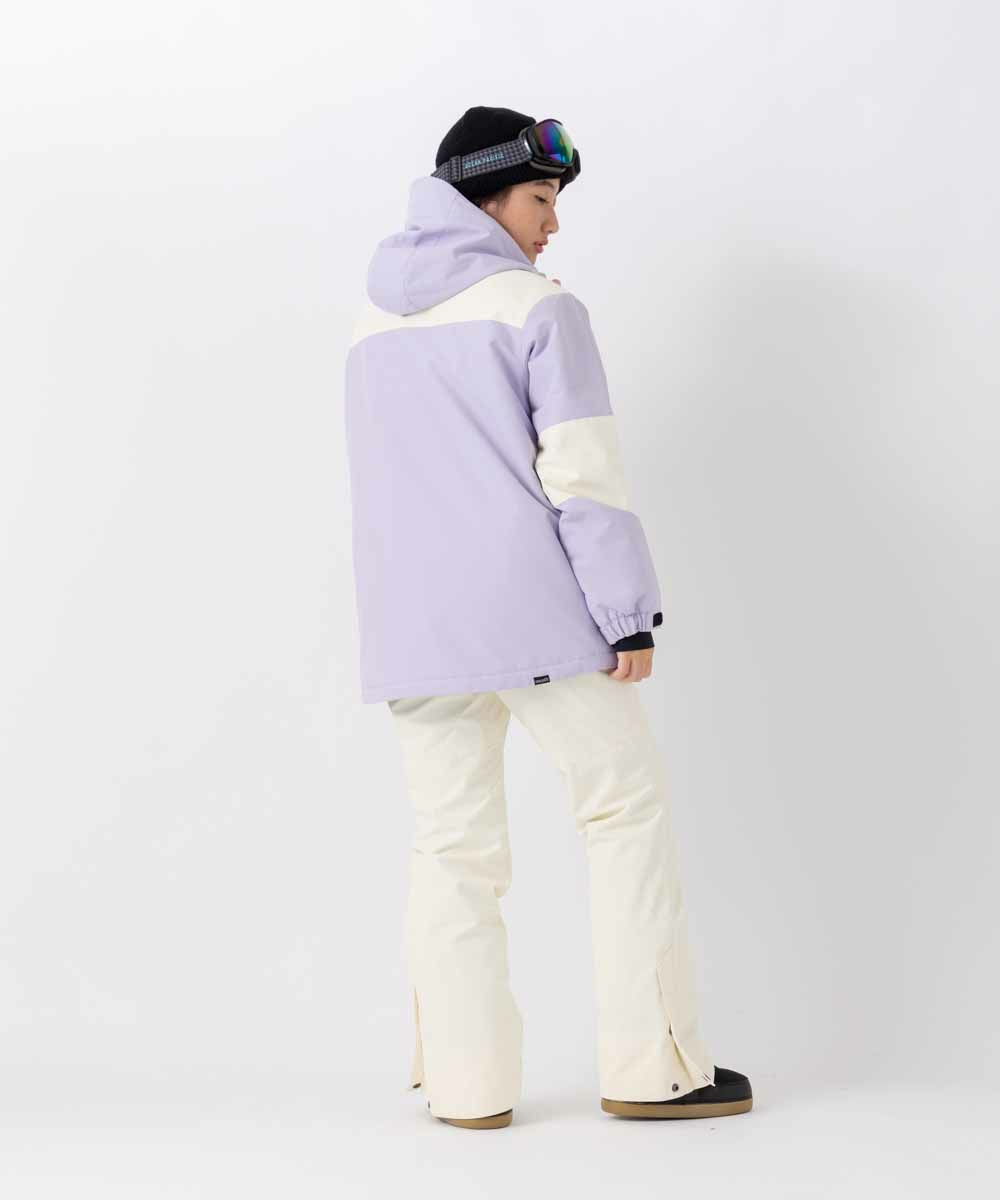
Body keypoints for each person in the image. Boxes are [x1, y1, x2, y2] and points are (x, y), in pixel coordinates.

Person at [343, 105, 752, 1129]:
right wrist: (626, 615)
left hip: (413, 628)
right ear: (487, 197)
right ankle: (654, 1068)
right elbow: (581, 471)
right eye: (540, 198)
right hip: (536, 614)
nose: (552, 223)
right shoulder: (536, 307)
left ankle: (466, 1090)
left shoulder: (370, 320)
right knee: (623, 813)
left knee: (452, 849)